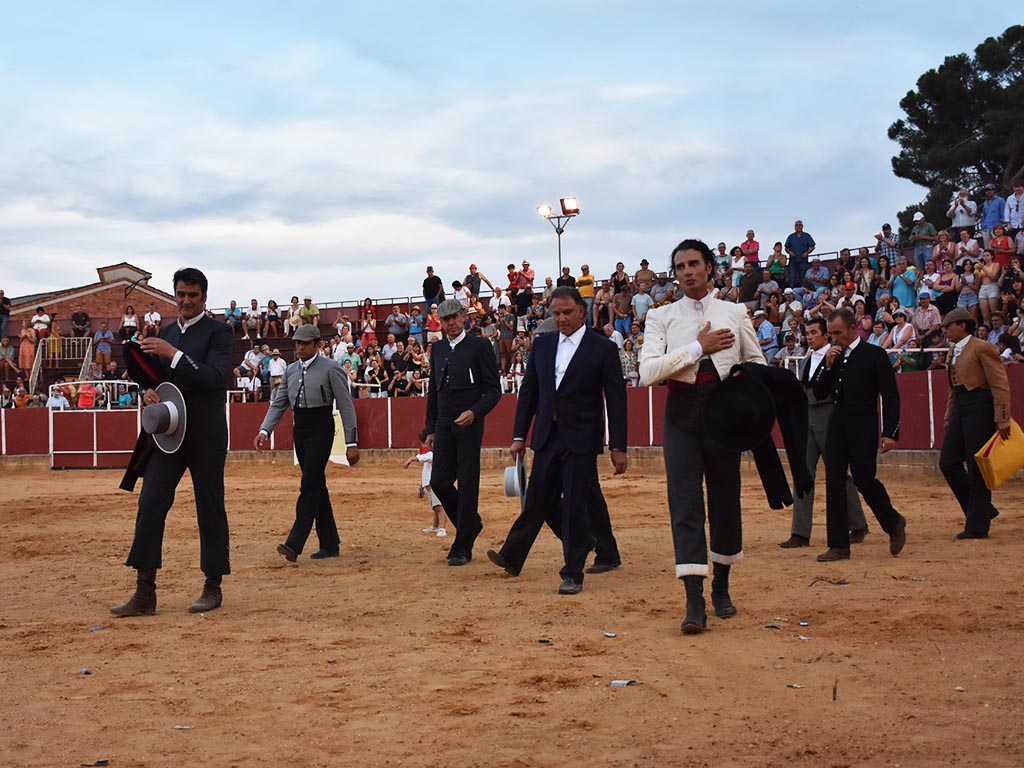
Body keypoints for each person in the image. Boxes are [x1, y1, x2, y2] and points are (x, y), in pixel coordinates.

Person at [638, 239, 765, 634]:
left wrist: (745, 384)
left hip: (723, 413)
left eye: (694, 264)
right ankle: (694, 599)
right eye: (680, 267)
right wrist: (698, 347)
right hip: (681, 413)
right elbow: (647, 372)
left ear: (710, 268)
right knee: (685, 502)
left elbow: (757, 362)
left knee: (726, 500)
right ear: (675, 275)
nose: (687, 271)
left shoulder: (734, 311)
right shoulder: (661, 316)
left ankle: (722, 587)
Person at [110, 267, 235, 617]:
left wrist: (173, 353)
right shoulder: (166, 332)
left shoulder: (220, 333)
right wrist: (148, 391)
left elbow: (214, 378)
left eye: (192, 295)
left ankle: (213, 586)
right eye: (180, 294)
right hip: (169, 433)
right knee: (150, 502)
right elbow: (157, 379)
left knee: (209, 506)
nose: (185, 301)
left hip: (206, 434)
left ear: (204, 298)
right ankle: (144, 591)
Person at [486, 287, 627, 595]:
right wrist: (519, 436)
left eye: (567, 313)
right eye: (556, 314)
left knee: (577, 502)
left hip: (581, 437)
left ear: (581, 311)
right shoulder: (544, 345)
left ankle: (573, 572)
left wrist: (618, 446)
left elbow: (616, 400)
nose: (561, 319)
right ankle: (514, 554)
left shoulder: (601, 348)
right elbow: (530, 394)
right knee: (538, 499)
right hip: (547, 436)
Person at [255, 324, 359, 561]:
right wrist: (264, 430)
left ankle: (295, 542)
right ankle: (330, 543)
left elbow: (345, 405)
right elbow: (280, 403)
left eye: (304, 344)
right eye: (297, 343)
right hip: (299, 429)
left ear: (318, 345)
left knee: (309, 483)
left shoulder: (331, 368)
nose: (299, 347)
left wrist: (351, 442)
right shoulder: (291, 370)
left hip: (322, 428)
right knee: (316, 485)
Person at [812, 308, 906, 562]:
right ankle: (839, 545)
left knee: (865, 480)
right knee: (834, 481)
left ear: (854, 329)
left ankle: (893, 521)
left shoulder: (874, 355)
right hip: (838, 422)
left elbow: (890, 395)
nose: (834, 339)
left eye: (838, 333)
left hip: (864, 423)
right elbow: (819, 391)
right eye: (831, 334)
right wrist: (828, 365)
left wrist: (890, 432)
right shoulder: (833, 356)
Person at [423, 299, 501, 566]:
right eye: (445, 321)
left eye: (454, 318)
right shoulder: (439, 348)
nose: (451, 324)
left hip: (468, 422)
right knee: (440, 481)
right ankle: (470, 525)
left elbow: (493, 391)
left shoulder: (479, 346)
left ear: (464, 318)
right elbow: (434, 389)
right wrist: (430, 427)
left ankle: (462, 545)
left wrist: (475, 412)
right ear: (440, 323)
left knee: (468, 483)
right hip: (444, 423)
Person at [780, 317, 869, 548]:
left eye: (813, 332)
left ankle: (858, 524)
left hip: (830, 417)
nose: (809, 337)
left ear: (826, 335)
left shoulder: (837, 355)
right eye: (807, 333)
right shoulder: (810, 358)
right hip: (808, 417)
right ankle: (800, 532)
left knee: (838, 473)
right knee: (803, 472)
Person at [938, 309, 1012, 539]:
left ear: (962, 325)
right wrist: (949, 415)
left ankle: (978, 525)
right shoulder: (953, 350)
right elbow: (954, 388)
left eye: (948, 327)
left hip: (980, 405)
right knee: (948, 461)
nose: (945, 331)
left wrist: (1002, 416)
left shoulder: (982, 347)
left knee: (976, 465)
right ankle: (982, 510)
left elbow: (999, 383)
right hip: (962, 406)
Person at [405, 429, 446, 537]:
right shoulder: (432, 454)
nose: (423, 445)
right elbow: (426, 472)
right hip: (430, 485)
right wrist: (421, 488)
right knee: (435, 507)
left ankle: (442, 528)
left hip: (434, 485)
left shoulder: (432, 454)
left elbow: (422, 458)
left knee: (438, 507)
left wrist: (411, 459)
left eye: (424, 442)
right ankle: (435, 527)